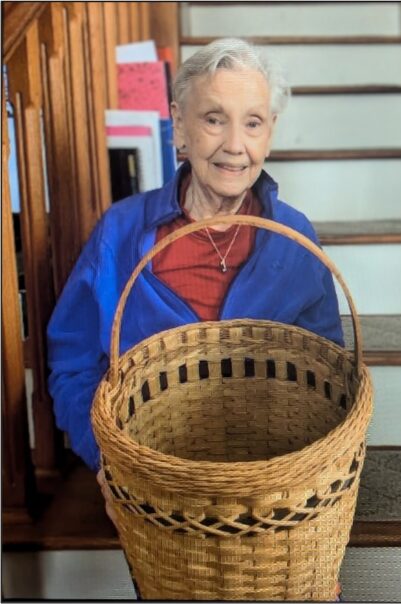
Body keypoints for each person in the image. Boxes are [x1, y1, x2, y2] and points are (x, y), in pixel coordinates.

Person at [47, 38, 344, 601]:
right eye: (214, 119)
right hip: (160, 508)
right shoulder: (121, 233)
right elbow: (72, 363)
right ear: (179, 127)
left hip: (271, 515)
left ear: (270, 133)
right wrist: (109, 463)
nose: (235, 145)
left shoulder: (296, 239)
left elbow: (326, 380)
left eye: (253, 123)